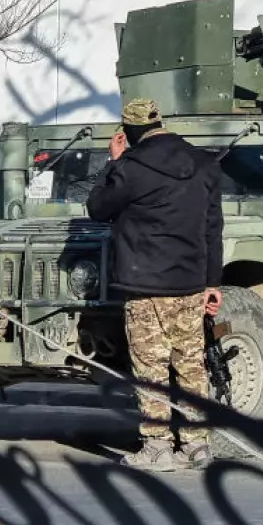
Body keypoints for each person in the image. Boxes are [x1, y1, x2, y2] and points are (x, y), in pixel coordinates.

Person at [86, 98, 224, 472]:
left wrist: (112, 163)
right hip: (191, 284)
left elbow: (98, 208)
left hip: (144, 285)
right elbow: (213, 229)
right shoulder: (204, 164)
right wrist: (213, 282)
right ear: (160, 122)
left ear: (129, 132)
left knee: (151, 368)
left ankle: (158, 447)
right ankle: (197, 446)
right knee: (192, 365)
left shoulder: (131, 167)